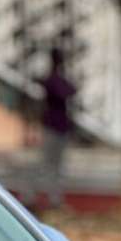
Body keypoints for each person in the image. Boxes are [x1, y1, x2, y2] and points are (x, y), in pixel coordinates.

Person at [40, 47, 77, 210]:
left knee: (56, 166)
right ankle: (45, 197)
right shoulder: (52, 80)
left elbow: (72, 90)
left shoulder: (58, 79)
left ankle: (55, 198)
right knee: (49, 165)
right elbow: (66, 92)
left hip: (60, 127)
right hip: (52, 127)